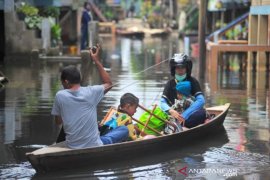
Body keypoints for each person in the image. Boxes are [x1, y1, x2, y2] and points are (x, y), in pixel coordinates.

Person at [51, 44, 129, 149]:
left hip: (72, 145)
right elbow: (109, 83)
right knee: (124, 130)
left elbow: (58, 122)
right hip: (95, 145)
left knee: (100, 127)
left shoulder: (60, 96)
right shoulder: (91, 92)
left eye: (62, 82)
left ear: (66, 82)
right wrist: (96, 60)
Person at [160, 53, 207, 128]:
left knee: (201, 114)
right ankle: (176, 125)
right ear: (174, 69)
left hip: (190, 115)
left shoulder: (193, 81)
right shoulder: (170, 83)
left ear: (187, 68)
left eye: (182, 67)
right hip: (174, 115)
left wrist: (184, 115)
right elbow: (162, 102)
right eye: (178, 67)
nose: (180, 70)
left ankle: (178, 126)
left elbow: (201, 100)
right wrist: (170, 111)